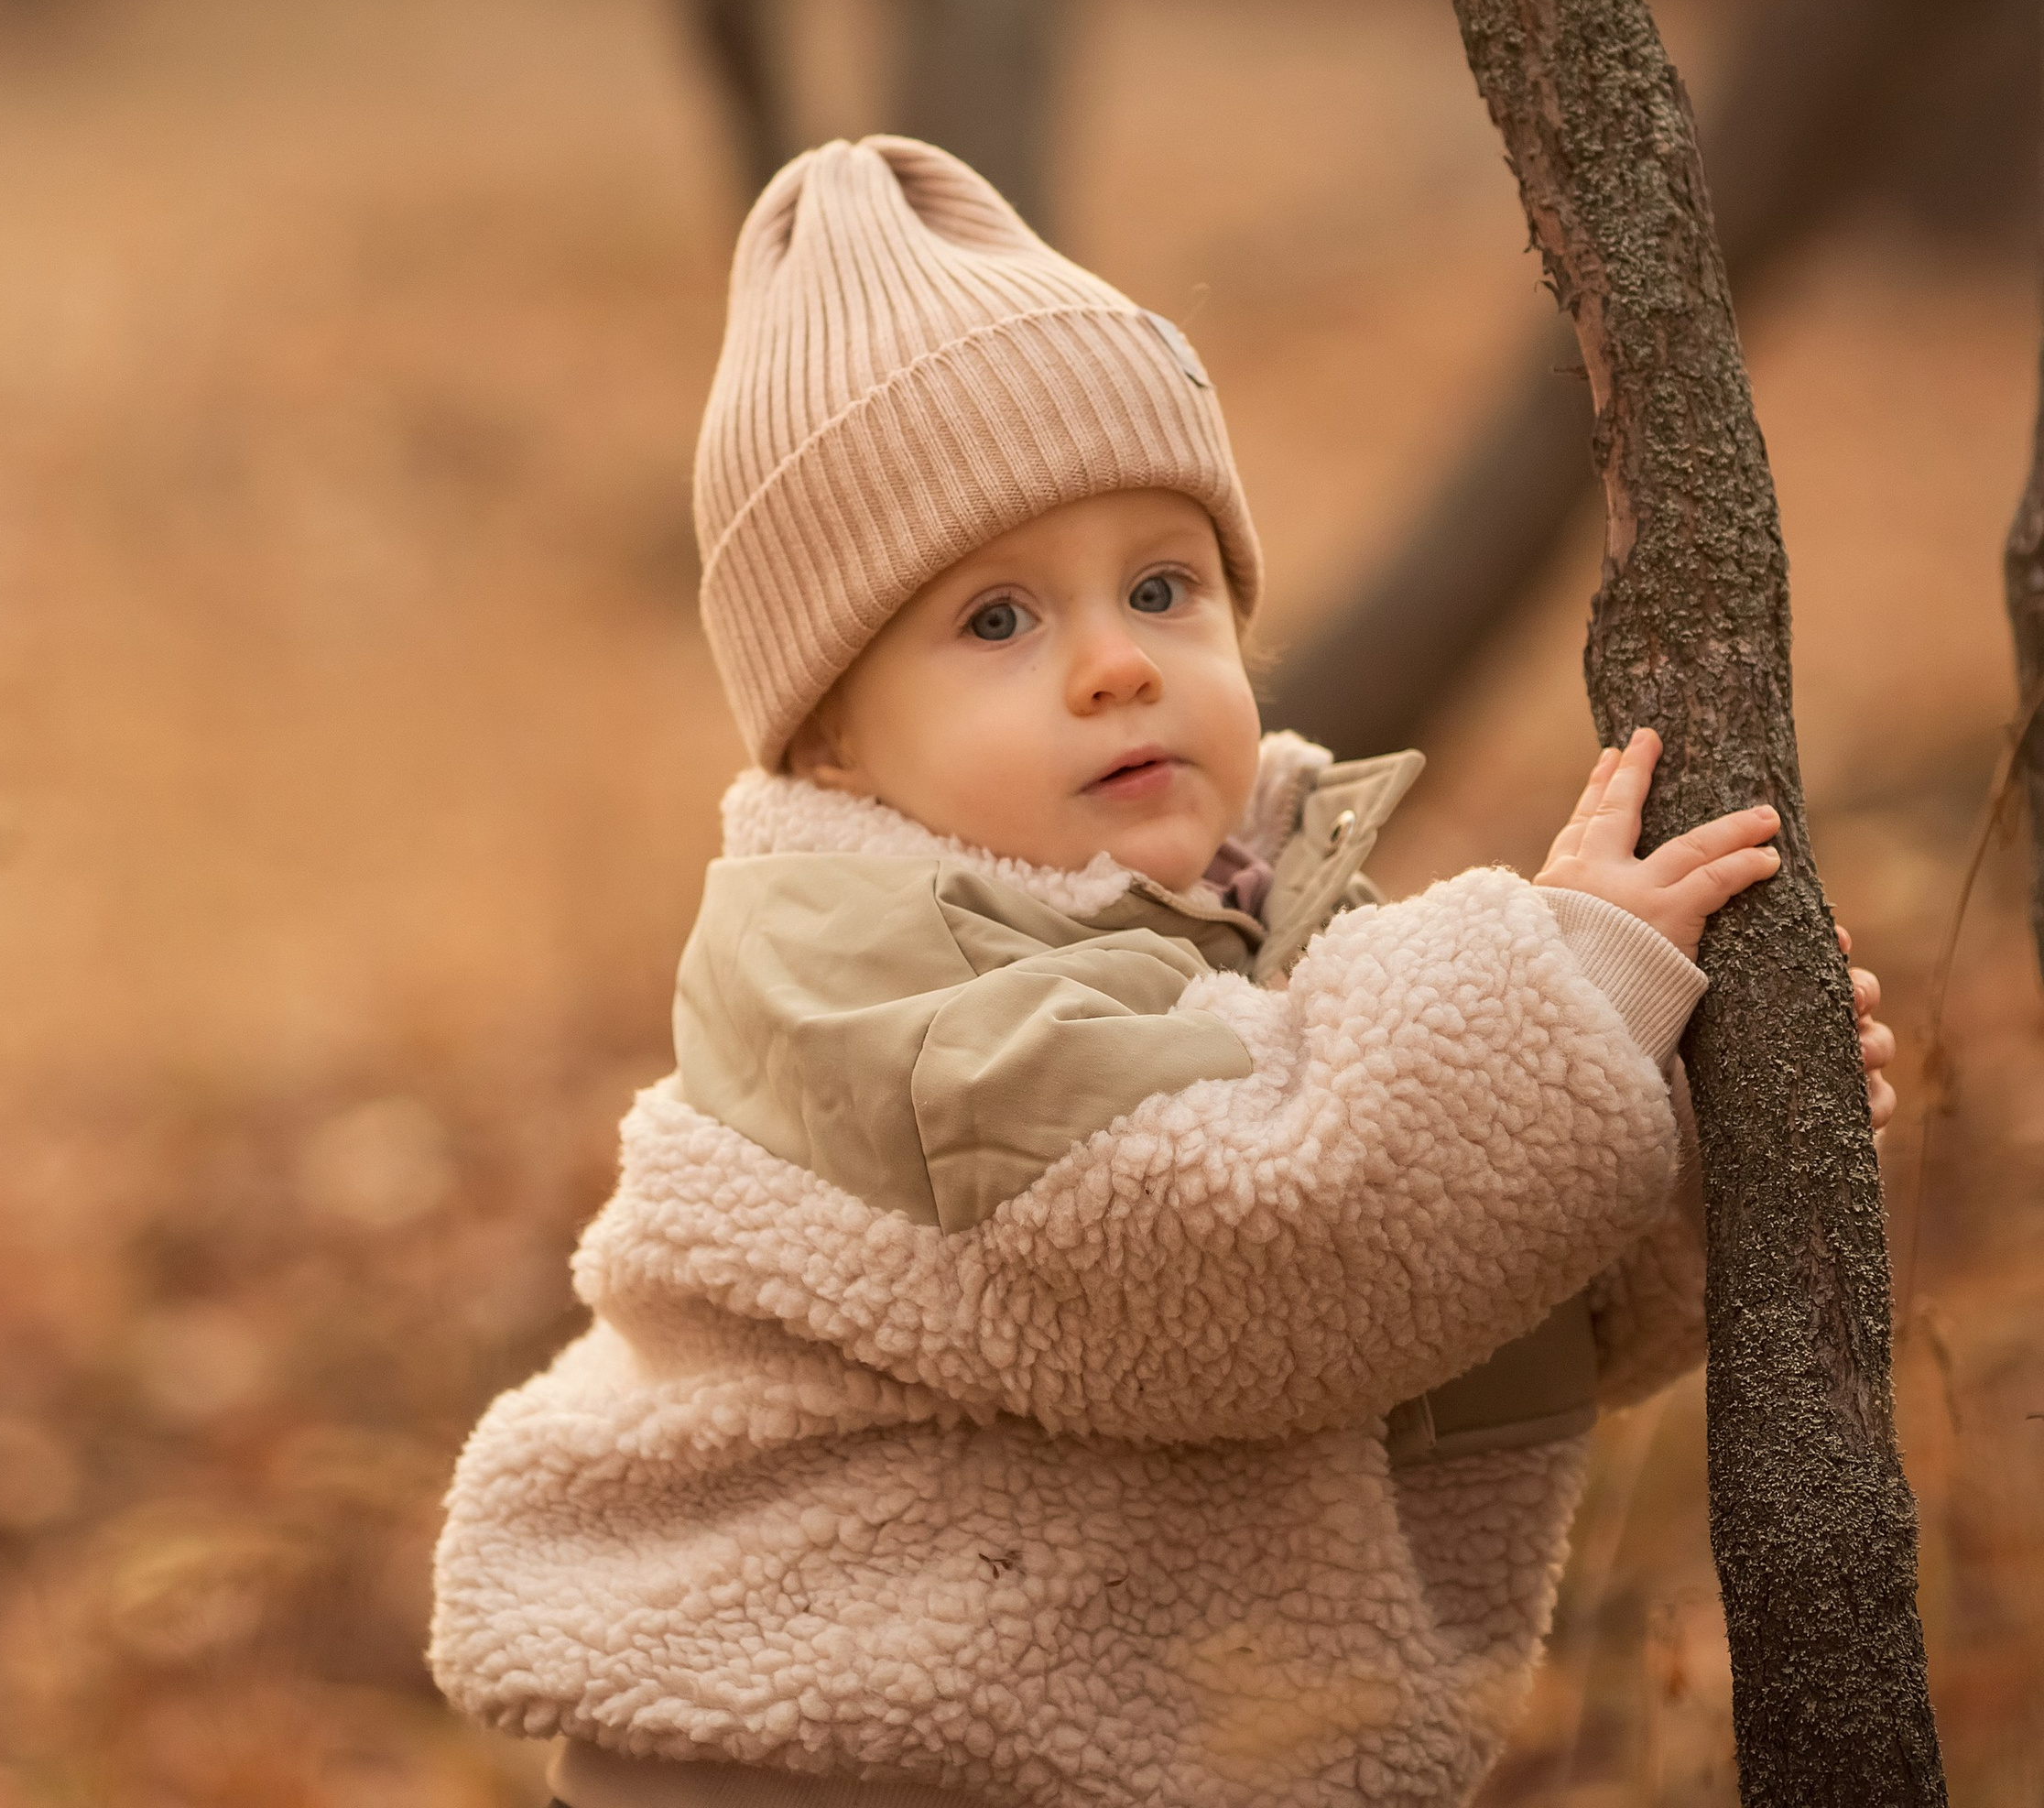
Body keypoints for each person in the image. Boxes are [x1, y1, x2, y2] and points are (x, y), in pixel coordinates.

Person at [431, 136, 1894, 1808]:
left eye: (1161, 585)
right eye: (998, 622)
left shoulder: (1250, 927)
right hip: (815, 1753)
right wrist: (1560, 996)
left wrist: (1681, 1141)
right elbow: (1254, 1246)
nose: (1118, 663)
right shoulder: (882, 988)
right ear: (833, 741)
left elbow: (1410, 1323)